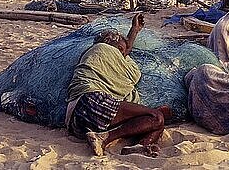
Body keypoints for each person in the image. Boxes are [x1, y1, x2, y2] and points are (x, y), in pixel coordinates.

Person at [66, 14, 171, 156]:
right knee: (156, 115)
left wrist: (134, 30)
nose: (124, 54)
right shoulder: (101, 49)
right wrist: (133, 32)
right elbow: (130, 66)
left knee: (157, 121)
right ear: (110, 45)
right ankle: (105, 138)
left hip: (78, 123)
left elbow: (125, 51)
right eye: (120, 49)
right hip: (90, 102)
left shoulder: (109, 54)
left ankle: (140, 146)